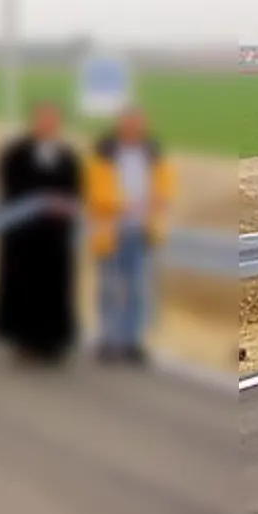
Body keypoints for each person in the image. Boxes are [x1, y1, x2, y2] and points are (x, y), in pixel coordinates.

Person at [0, 101, 82, 363]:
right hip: (24, 234)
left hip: (55, 234)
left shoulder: (67, 156)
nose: (48, 124)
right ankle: (25, 340)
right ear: (35, 121)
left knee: (54, 286)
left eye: (53, 120)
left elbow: (75, 189)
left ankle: (52, 341)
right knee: (25, 286)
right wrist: (38, 201)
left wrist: (64, 204)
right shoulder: (15, 153)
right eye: (44, 119)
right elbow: (8, 183)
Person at [86, 106, 176, 365]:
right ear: (120, 126)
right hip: (110, 231)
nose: (134, 128)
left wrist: (158, 202)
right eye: (129, 123)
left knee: (137, 287)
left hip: (141, 230)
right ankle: (109, 339)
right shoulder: (104, 153)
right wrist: (121, 204)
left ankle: (131, 342)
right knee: (110, 287)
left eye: (138, 124)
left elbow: (165, 184)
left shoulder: (151, 152)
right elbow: (95, 190)